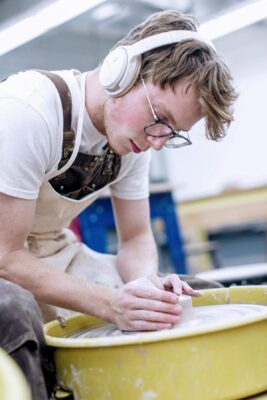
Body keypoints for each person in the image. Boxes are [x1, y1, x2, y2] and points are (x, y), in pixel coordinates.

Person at [0, 9, 238, 399]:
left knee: (192, 297)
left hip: (46, 251)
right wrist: (111, 304)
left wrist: (144, 286)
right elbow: (6, 259)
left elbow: (137, 238)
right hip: (6, 260)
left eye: (173, 132)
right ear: (121, 71)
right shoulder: (30, 112)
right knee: (13, 311)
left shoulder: (136, 140)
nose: (159, 140)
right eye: (160, 118)